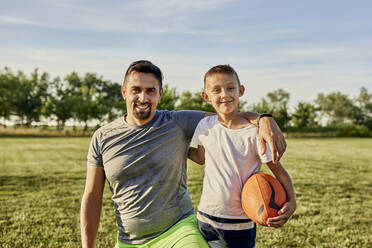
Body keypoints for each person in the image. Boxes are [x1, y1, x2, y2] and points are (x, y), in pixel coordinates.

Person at [80, 60, 287, 248]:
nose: (143, 97)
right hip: (128, 241)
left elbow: (228, 117)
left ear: (160, 94)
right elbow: (92, 196)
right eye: (136, 90)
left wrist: (264, 119)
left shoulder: (177, 122)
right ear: (124, 92)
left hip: (179, 231)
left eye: (151, 91)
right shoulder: (102, 137)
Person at [188, 65, 296, 248]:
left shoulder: (254, 133)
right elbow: (200, 157)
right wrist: (178, 148)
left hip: (240, 224)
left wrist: (292, 202)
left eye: (230, 88)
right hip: (206, 218)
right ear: (206, 96)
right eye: (216, 90)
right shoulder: (205, 126)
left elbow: (279, 171)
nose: (224, 94)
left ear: (241, 91)